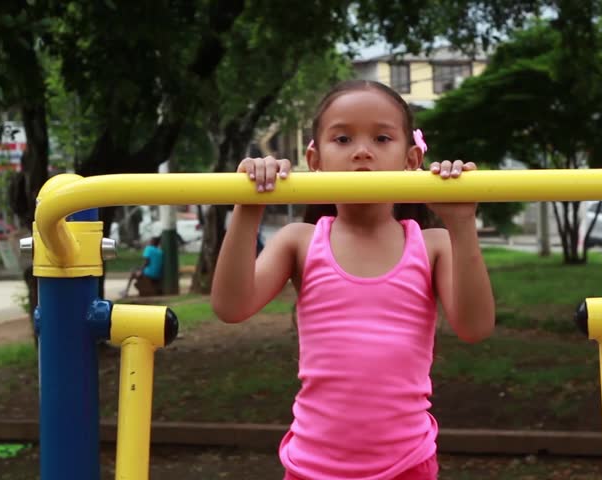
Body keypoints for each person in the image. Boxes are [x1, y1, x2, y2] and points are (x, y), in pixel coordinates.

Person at [211, 80, 495, 480]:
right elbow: (230, 306)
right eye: (343, 138)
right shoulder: (300, 241)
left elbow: (475, 326)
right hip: (313, 466)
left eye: (381, 138)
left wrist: (462, 223)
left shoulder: (433, 245)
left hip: (406, 463)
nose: (362, 151)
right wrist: (248, 208)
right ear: (315, 157)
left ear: (412, 159)